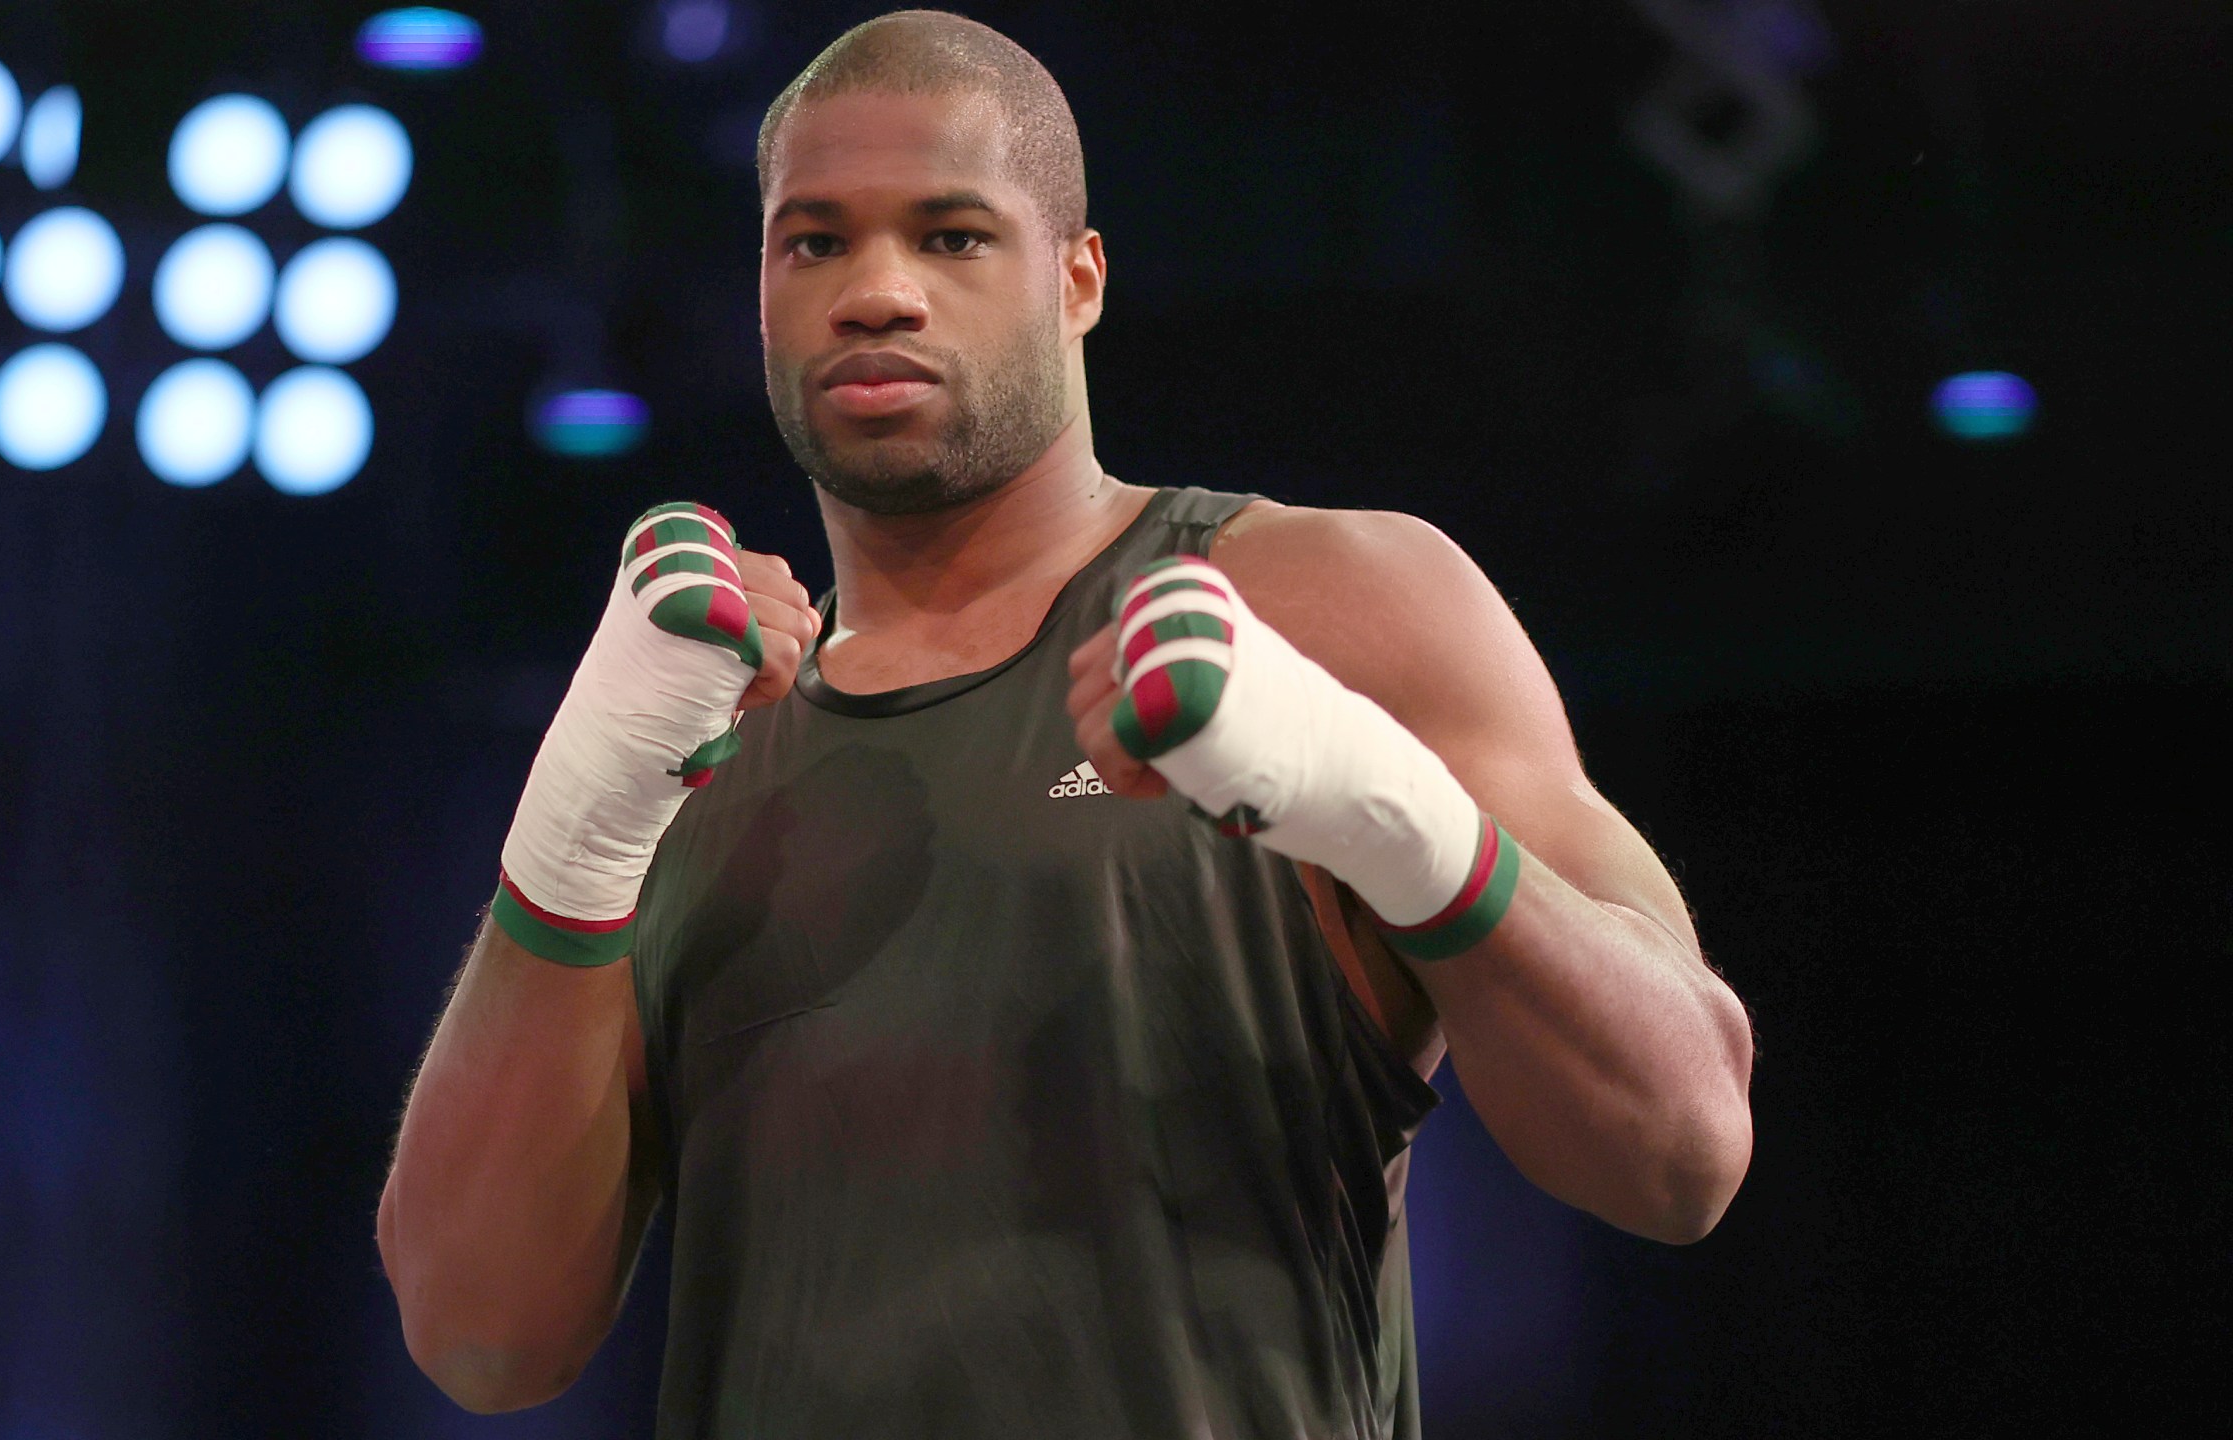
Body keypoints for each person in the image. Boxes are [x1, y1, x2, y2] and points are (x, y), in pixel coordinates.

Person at [378, 11, 1754, 1436]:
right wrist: (578, 821)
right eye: (817, 242)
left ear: (1078, 277)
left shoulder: (1331, 601)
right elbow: (480, 1338)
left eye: (954, 235)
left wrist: (1381, 803)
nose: (878, 292)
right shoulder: (687, 733)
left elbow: (1683, 1147)